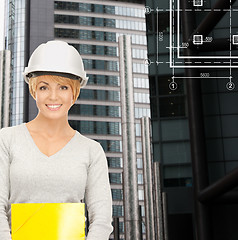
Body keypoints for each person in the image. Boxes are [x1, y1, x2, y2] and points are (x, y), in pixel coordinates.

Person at [0, 40, 113, 240]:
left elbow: (102, 220)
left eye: (63, 88)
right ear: (33, 90)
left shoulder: (91, 151)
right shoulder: (6, 140)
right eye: (44, 87)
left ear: (74, 93)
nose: (53, 96)